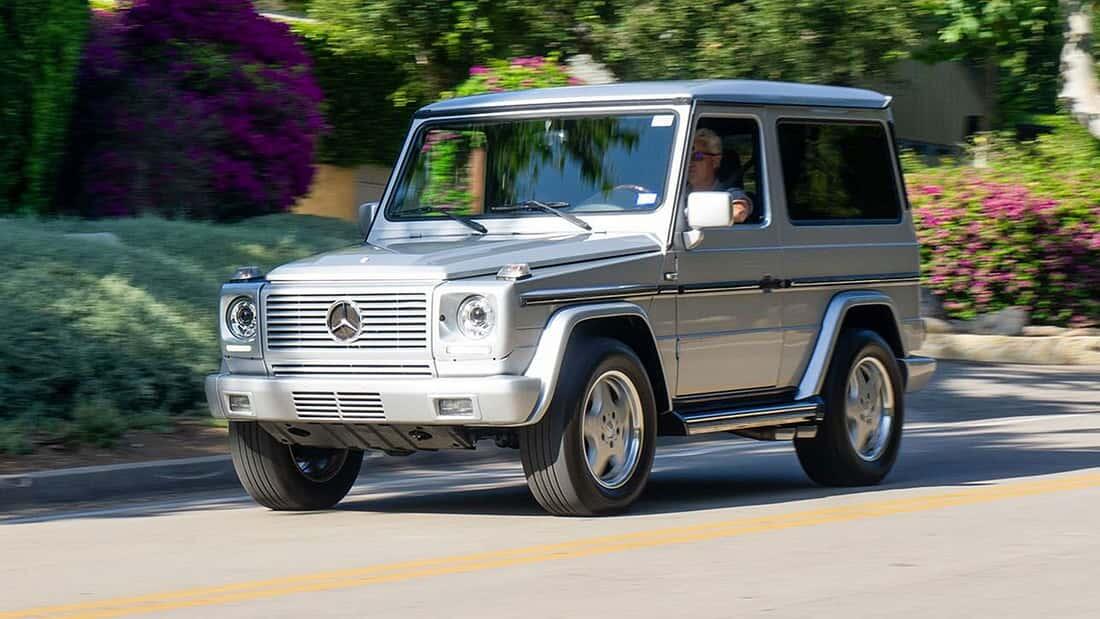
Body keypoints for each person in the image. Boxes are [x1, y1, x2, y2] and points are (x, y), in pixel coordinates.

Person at [687, 127, 754, 224]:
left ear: (716, 161)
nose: (689, 163)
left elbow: (739, 212)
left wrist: (696, 214)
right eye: (686, 157)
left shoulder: (729, 194)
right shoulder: (674, 194)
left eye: (698, 156)